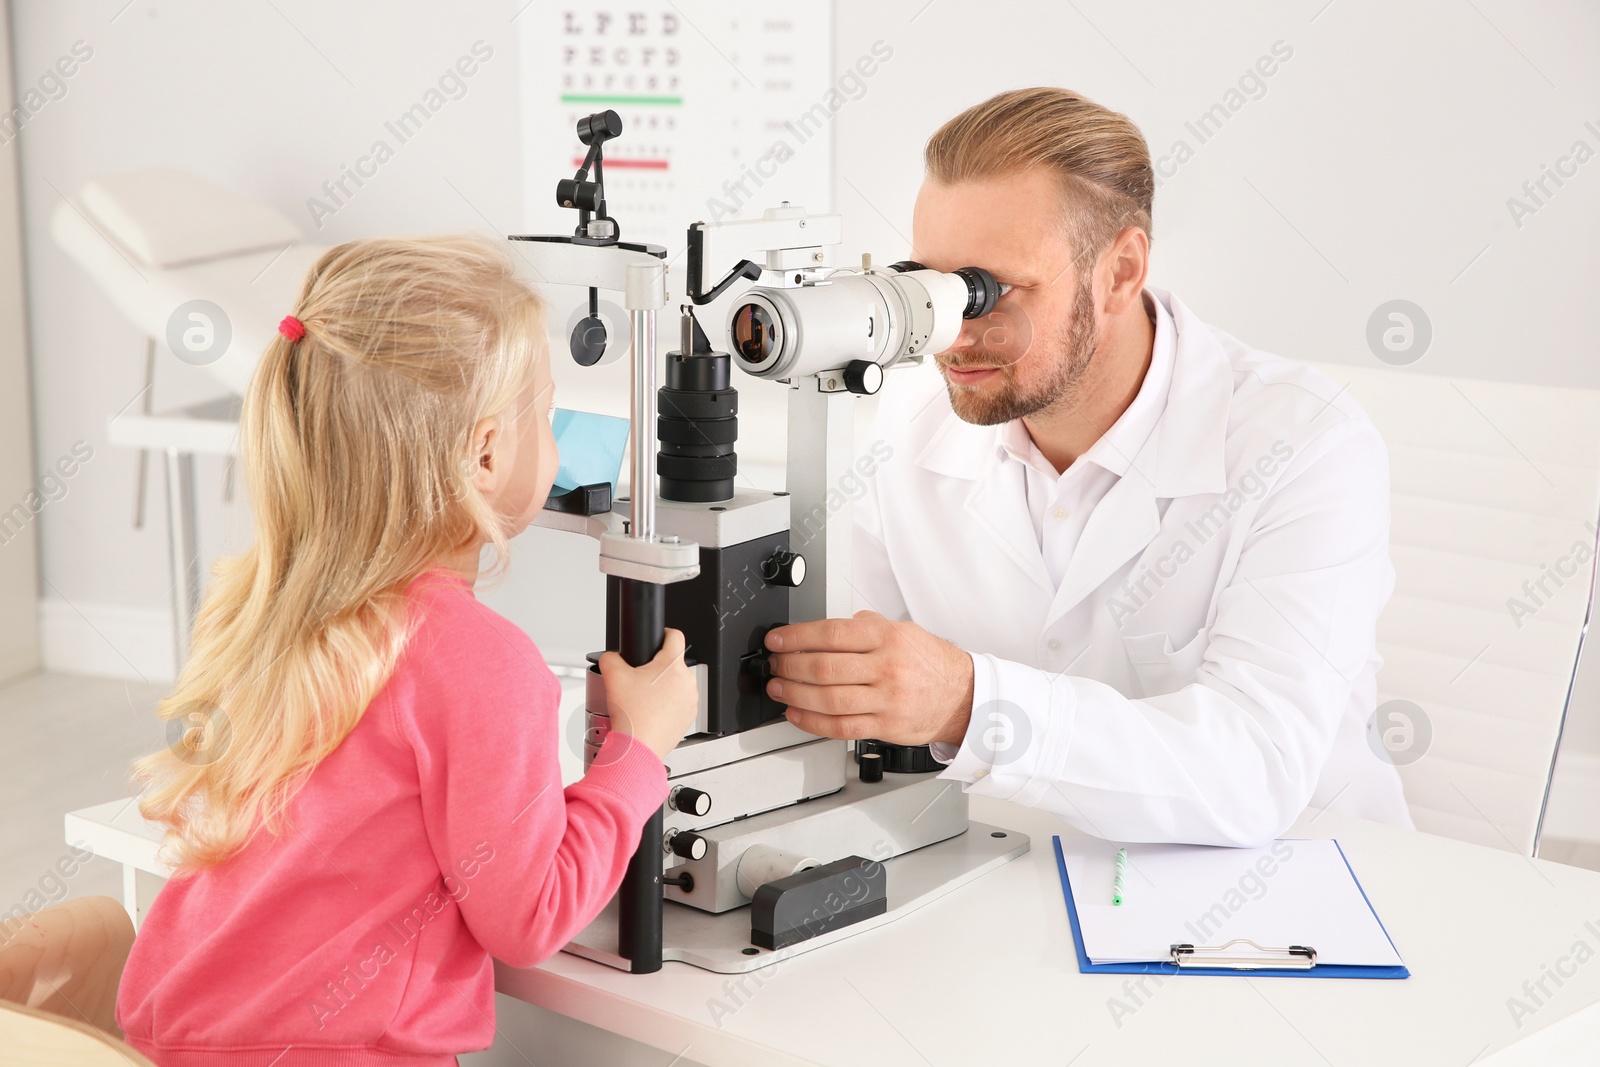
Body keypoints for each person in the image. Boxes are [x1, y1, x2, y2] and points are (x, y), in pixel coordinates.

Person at [762, 87, 1412, 847]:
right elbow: (845, 677)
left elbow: (1254, 770)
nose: (949, 335)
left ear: (1120, 270)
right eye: (927, 289)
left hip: (1292, 893)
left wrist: (973, 704)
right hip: (1017, 872)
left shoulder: (1304, 445)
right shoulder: (908, 427)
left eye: (986, 290)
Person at [116, 235, 698, 1065]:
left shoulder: (259, 606)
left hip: (164, 1037)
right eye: (546, 408)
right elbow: (528, 918)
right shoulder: (482, 660)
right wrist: (638, 753)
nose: (558, 436)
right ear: (487, 451)